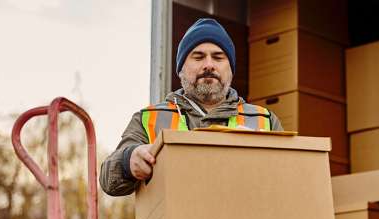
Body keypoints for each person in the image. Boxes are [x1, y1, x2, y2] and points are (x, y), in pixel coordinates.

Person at [99, 18, 284, 196]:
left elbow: (287, 178)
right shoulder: (149, 119)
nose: (209, 65)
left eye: (218, 57)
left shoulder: (265, 121)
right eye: (198, 57)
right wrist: (128, 160)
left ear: (231, 69)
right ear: (180, 69)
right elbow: (108, 180)